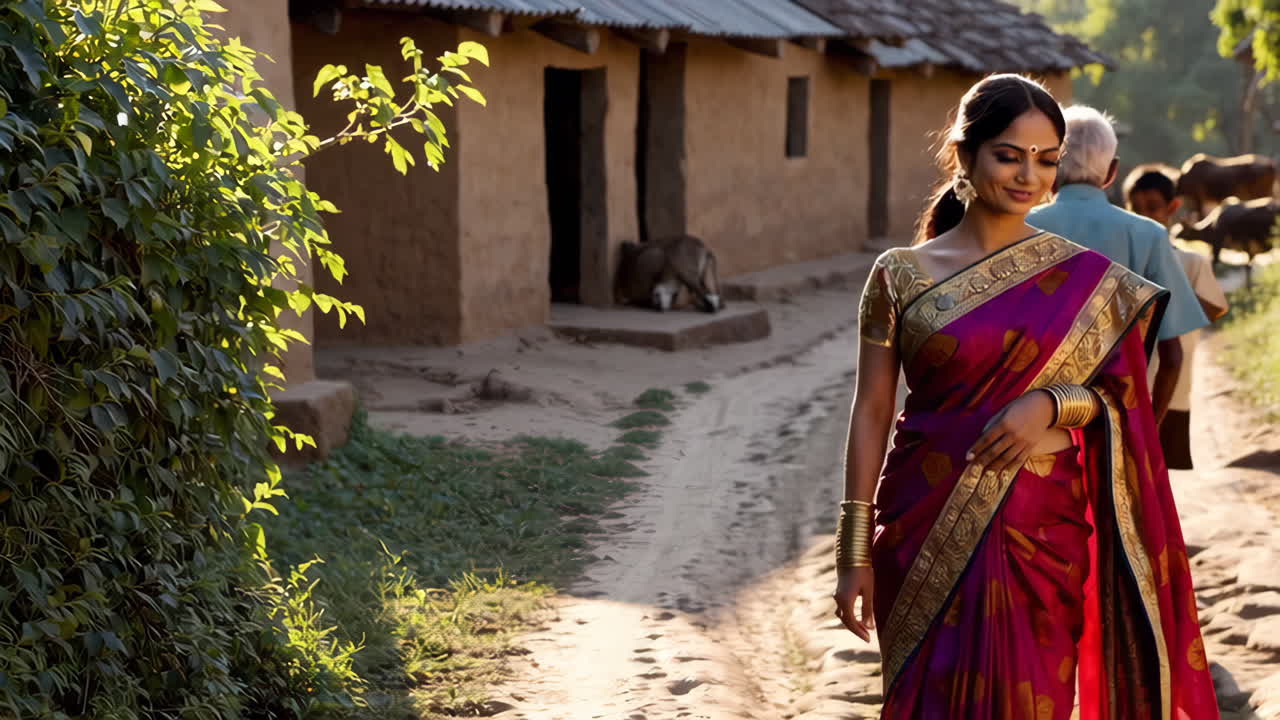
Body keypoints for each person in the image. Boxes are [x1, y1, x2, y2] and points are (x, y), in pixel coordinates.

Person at [831, 74, 1219, 719]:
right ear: (964, 154)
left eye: (1046, 160)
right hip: (919, 524)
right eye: (1009, 155)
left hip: (1042, 525)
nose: (1029, 177)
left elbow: (1123, 401)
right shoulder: (900, 274)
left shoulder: (1086, 278)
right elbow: (871, 408)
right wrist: (853, 552)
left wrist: (1053, 404)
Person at [1026, 106, 1210, 427]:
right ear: (1112, 171)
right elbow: (1172, 357)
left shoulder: (1020, 229)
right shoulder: (1148, 235)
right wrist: (1146, 431)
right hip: (1115, 421)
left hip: (1031, 416)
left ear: (1051, 162)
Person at [1124, 163, 1230, 469]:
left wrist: (1166, 300)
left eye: (1153, 207)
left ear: (1172, 208)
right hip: (1127, 387)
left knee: (1158, 474)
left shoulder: (1191, 262)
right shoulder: (1121, 259)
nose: (1144, 215)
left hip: (1171, 389)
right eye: (1136, 208)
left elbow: (1216, 306)